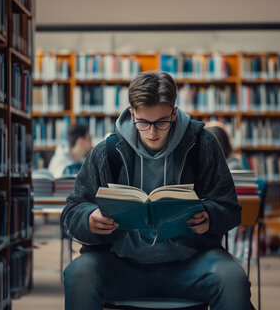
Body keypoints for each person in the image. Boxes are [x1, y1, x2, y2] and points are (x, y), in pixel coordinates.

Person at [60, 71, 251, 310]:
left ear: (174, 112)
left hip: (191, 264)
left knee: (232, 279)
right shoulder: (106, 152)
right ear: (132, 114)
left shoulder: (203, 145)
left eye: (161, 122)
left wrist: (210, 217)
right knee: (78, 274)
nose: (152, 132)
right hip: (121, 264)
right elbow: (71, 210)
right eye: (143, 123)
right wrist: (89, 219)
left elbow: (230, 207)